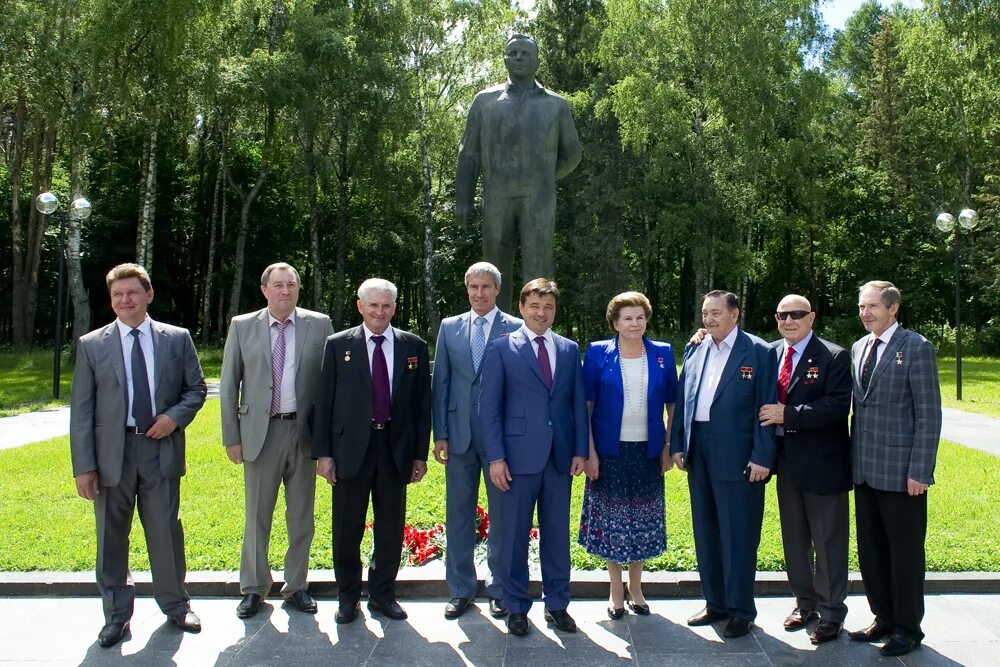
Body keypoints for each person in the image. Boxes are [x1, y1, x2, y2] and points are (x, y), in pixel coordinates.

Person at [70, 263, 207, 648]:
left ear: (148, 295)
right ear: (111, 300)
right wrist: (84, 467)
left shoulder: (176, 339)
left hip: (159, 447)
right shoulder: (92, 344)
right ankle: (116, 616)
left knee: (165, 532)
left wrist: (173, 419)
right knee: (110, 538)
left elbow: (196, 389)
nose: (124, 300)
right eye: (117, 295)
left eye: (132, 293)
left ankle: (176, 606)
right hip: (111, 454)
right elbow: (81, 410)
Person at [313, 279, 432, 624]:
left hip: (395, 448)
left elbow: (421, 406)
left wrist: (419, 455)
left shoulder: (413, 346)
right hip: (350, 448)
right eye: (373, 305)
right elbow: (325, 401)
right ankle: (348, 597)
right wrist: (324, 453)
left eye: (386, 306)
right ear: (360, 306)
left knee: (391, 526)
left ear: (394, 308)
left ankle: (382, 594)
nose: (380, 312)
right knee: (347, 526)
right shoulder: (338, 345)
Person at [220, 262, 334, 619]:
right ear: (264, 289)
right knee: (257, 515)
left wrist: (327, 443)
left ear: (299, 289)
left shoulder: (320, 324)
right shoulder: (242, 326)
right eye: (279, 285)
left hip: (304, 434)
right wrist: (231, 437)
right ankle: (254, 587)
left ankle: (296, 585)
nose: (286, 291)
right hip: (259, 433)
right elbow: (228, 385)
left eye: (292, 285)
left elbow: (331, 386)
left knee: (301, 516)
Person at [479, 278, 588, 637]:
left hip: (559, 459)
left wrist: (579, 451)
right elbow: (489, 408)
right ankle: (515, 607)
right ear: (523, 307)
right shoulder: (500, 348)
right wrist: (495, 457)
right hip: (515, 459)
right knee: (513, 538)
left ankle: (557, 604)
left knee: (557, 536)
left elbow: (576, 405)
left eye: (549, 307)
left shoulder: (569, 349)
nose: (542, 313)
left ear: (555, 311)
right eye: (535, 306)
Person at [669, 290, 776, 638]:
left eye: (716, 313)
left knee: (739, 535)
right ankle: (715, 603)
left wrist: (762, 456)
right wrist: (678, 445)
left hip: (739, 457)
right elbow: (685, 398)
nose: (709, 319)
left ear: (735, 314)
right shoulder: (696, 348)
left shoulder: (759, 351)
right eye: (705, 313)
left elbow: (767, 407)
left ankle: (741, 610)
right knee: (707, 532)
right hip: (699, 453)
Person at [847, 280, 942, 657]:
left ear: (892, 308)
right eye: (861, 307)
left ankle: (907, 628)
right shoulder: (859, 348)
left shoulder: (916, 348)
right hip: (865, 469)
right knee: (871, 552)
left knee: (904, 554)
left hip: (903, 474)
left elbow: (929, 414)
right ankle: (883, 617)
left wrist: (921, 470)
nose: (865, 313)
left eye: (871, 306)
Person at [456, 34, 582, 310]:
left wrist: (543, 177)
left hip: (539, 199)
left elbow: (573, 153)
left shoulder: (555, 104)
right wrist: (463, 199)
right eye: (513, 53)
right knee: (493, 268)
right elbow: (468, 152)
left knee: (539, 267)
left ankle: (538, 330)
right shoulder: (485, 101)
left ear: (537, 60)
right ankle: (494, 327)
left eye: (525, 53)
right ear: (504, 59)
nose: (519, 58)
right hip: (497, 197)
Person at [757, 295, 852, 644]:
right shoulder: (769, 353)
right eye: (783, 315)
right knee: (794, 541)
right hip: (785, 464)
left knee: (828, 542)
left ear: (811, 317)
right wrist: (703, 335)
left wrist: (789, 414)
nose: (789, 320)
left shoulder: (835, 355)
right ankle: (805, 603)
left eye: (797, 314)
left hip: (823, 464)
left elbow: (837, 405)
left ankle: (831, 613)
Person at [578, 292, 677, 620]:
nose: (635, 324)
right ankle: (615, 589)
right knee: (612, 522)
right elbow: (586, 406)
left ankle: (636, 587)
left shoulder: (662, 354)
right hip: (609, 453)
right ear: (615, 323)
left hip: (648, 453)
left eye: (640, 317)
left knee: (642, 523)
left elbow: (673, 405)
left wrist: (666, 446)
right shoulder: (596, 353)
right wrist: (589, 451)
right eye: (627, 318)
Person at [431, 262, 522, 620]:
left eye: (486, 287)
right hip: (458, 437)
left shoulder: (515, 328)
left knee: (503, 515)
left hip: (501, 440)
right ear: (466, 289)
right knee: (458, 513)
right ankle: (461, 589)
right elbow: (441, 383)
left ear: (497, 290)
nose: (479, 293)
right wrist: (440, 432)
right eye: (473, 287)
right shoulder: (449, 327)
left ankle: (499, 589)